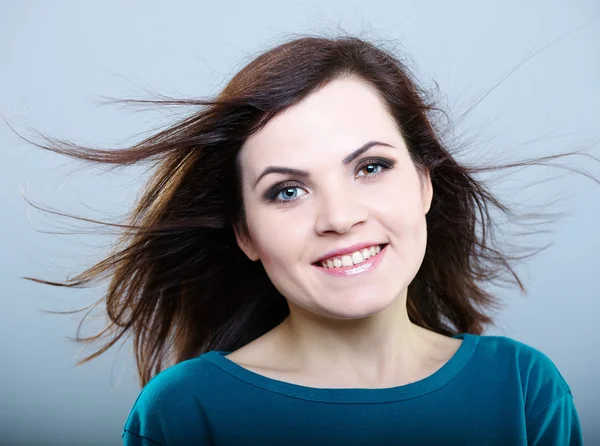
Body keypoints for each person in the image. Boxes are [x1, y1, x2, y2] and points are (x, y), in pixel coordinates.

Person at [26, 35, 586, 445]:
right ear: (246, 233)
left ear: (423, 185)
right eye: (288, 191)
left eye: (370, 167)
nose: (339, 218)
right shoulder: (185, 413)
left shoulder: (521, 388)